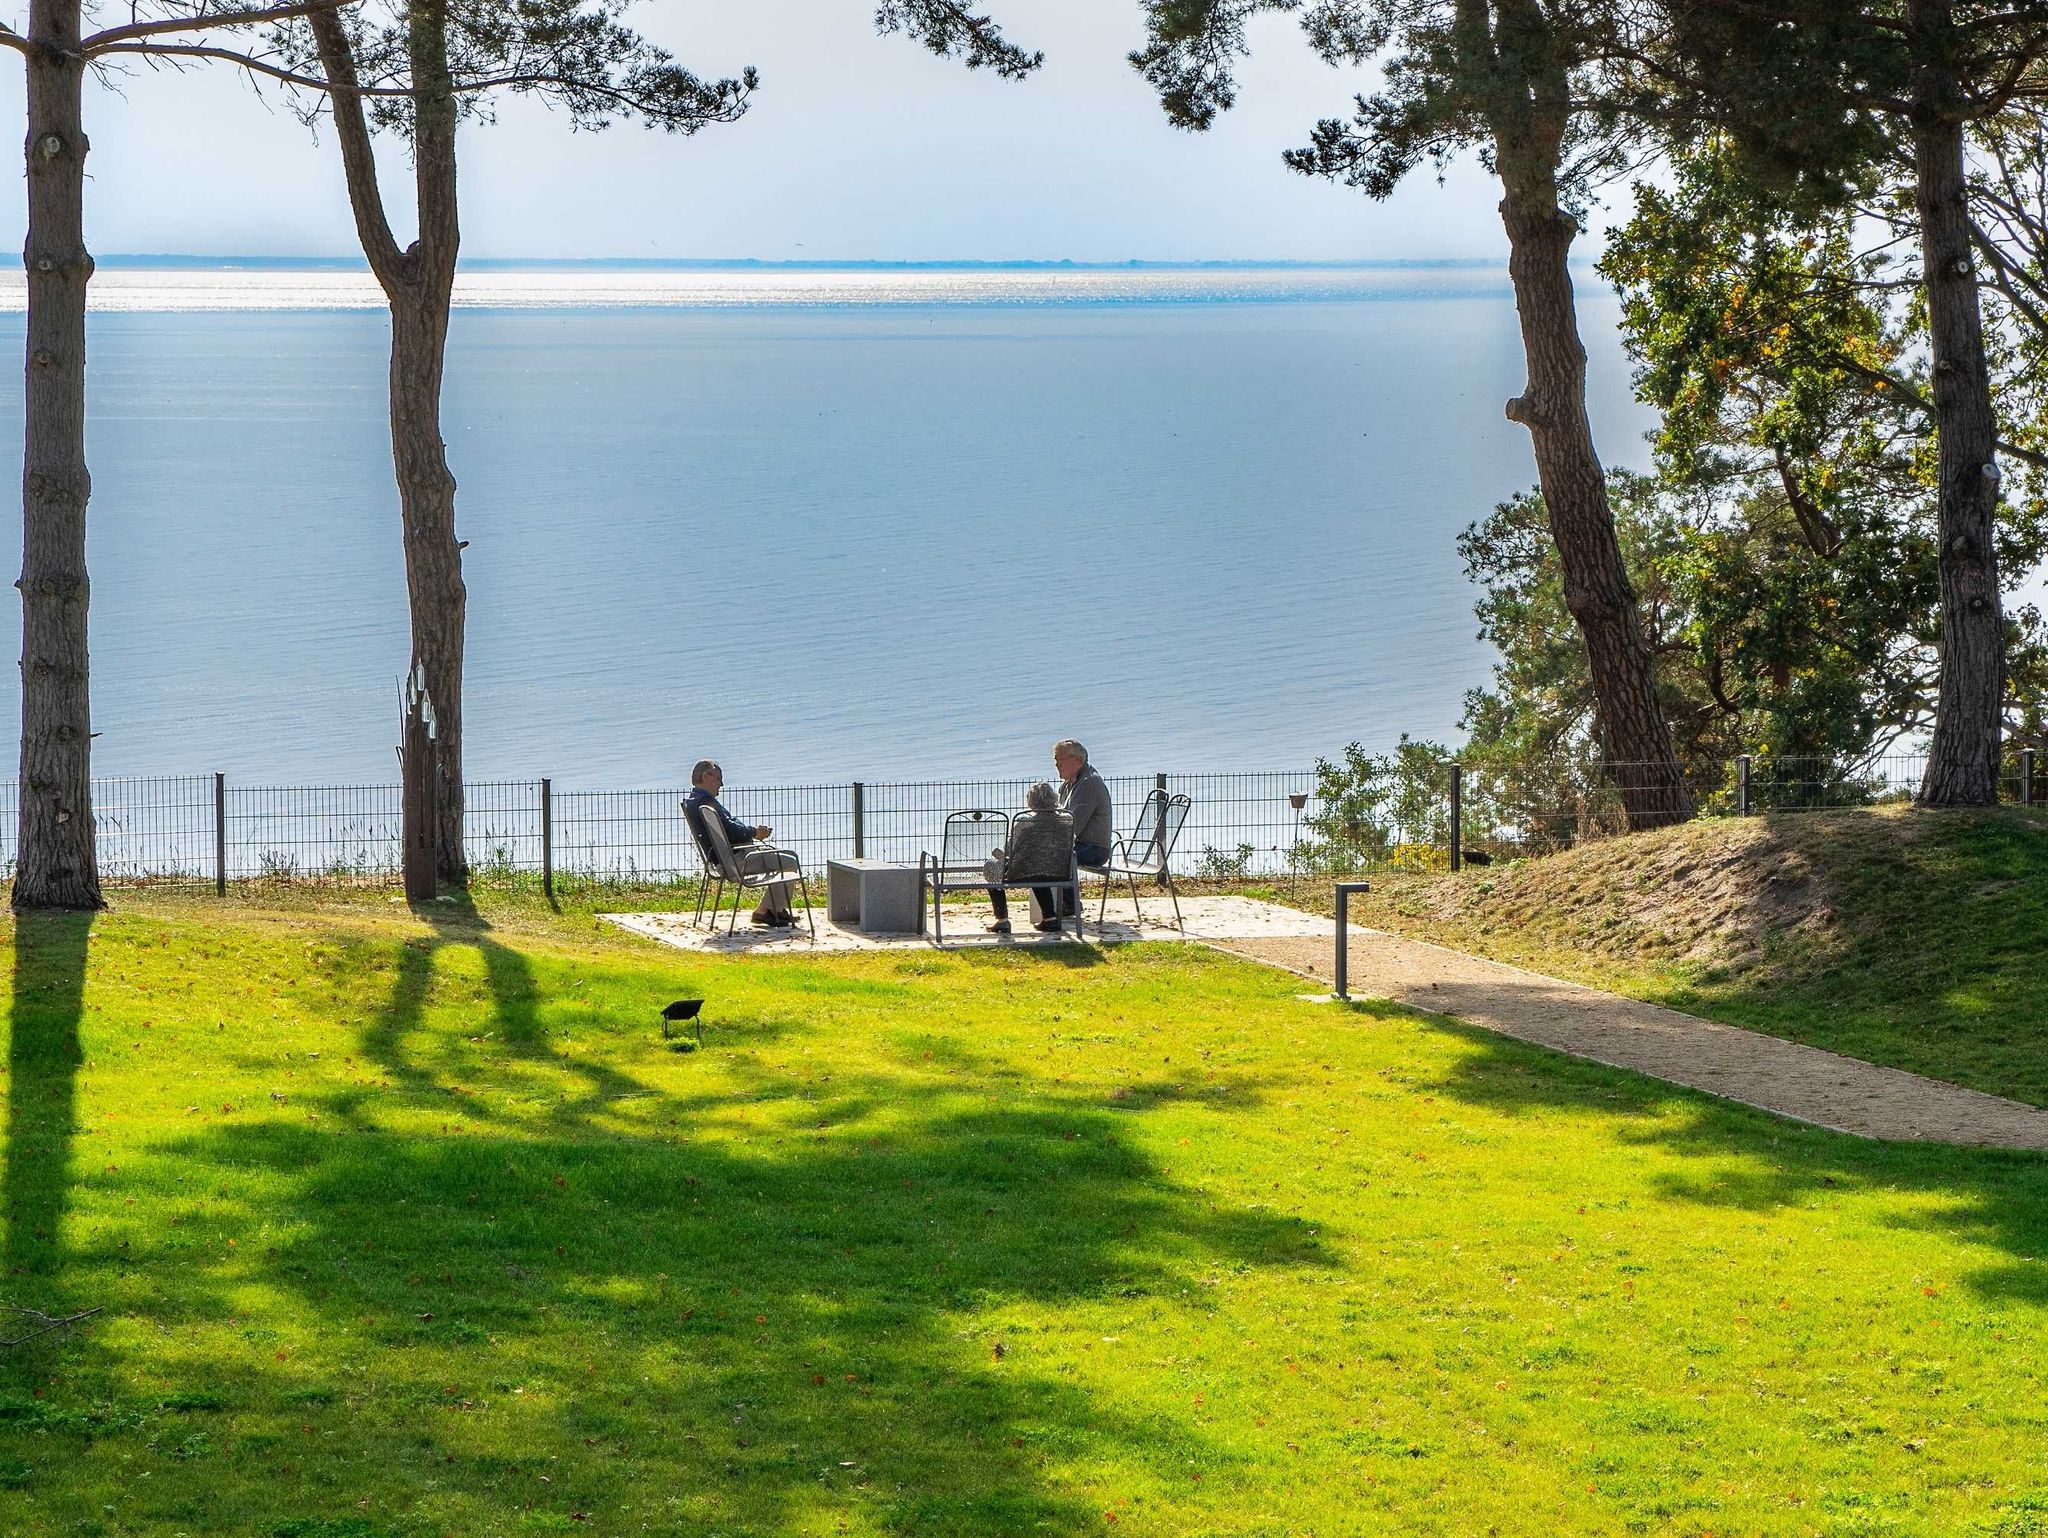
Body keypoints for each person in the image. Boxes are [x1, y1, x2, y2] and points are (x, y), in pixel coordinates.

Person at [682, 759, 800, 927]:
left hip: (723, 860)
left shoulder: (695, 802)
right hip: (736, 861)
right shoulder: (706, 804)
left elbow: (728, 828)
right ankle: (768, 910)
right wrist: (754, 832)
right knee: (789, 861)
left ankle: (773, 910)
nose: (721, 784)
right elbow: (731, 831)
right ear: (706, 777)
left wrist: (750, 832)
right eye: (718, 778)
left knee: (781, 859)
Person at [983, 781, 1076, 934]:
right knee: (1040, 868)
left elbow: (1009, 851)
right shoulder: (1066, 821)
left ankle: (1002, 920)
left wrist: (997, 854)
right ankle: (1050, 918)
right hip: (1058, 872)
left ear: (1031, 802)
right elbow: (1070, 844)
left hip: (1022, 873)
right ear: (1054, 798)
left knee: (991, 867)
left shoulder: (1024, 823)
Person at [1052, 738, 1112, 916]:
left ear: (1078, 760)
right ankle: (1053, 907)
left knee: (1055, 856)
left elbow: (1072, 827)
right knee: (1047, 851)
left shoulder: (1088, 784)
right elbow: (1056, 815)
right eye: (1055, 760)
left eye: (1060, 760)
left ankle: (1068, 906)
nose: (1056, 764)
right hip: (1079, 844)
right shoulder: (1070, 782)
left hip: (1094, 848)